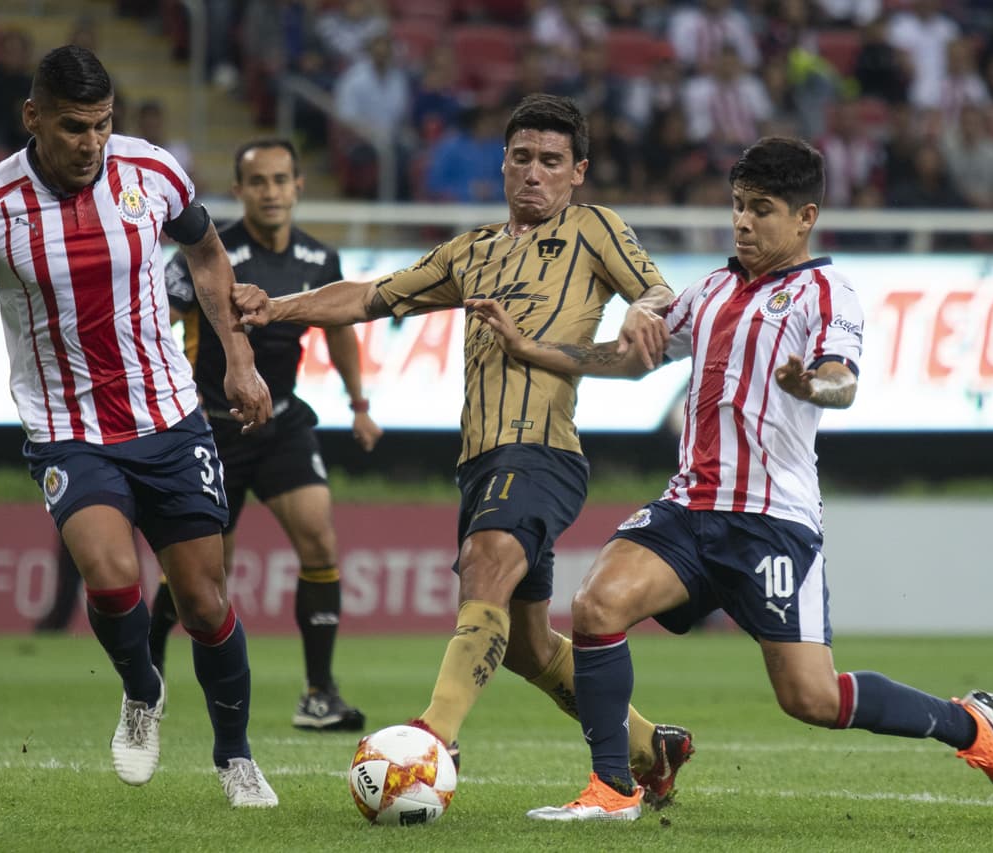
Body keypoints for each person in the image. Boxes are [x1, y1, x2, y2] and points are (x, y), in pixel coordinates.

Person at [467, 136, 993, 821]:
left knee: (811, 698)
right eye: (737, 205)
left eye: (761, 209)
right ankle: (614, 786)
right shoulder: (711, 289)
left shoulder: (827, 292)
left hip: (772, 521)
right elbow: (633, 358)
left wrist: (811, 384)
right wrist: (530, 347)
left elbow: (843, 380)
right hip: (689, 508)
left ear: (805, 217)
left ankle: (970, 724)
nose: (742, 221)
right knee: (596, 606)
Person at [232, 93, 695, 807]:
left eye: (552, 161)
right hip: (480, 462)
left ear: (578, 172)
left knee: (486, 561)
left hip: (541, 449)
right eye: (522, 157)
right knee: (529, 645)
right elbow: (371, 297)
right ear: (503, 163)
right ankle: (650, 747)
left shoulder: (593, 228)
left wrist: (643, 307)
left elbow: (660, 292)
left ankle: (432, 737)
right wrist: (279, 306)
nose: (534, 172)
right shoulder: (470, 250)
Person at [0, 45, 279, 807]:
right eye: (74, 127)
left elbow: (207, 253)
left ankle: (236, 756)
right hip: (67, 427)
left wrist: (238, 360)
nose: (91, 144)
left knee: (204, 602)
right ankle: (143, 688)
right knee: (111, 577)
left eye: (102, 125)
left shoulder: (152, 171)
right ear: (33, 117)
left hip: (169, 415)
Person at [150, 138, 380, 731]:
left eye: (281, 180)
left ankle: (319, 694)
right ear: (239, 190)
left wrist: (359, 404)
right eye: (258, 182)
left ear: (298, 186)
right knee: (202, 575)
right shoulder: (207, 254)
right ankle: (148, 671)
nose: (271, 192)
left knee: (320, 543)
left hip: (281, 422)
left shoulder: (319, 258)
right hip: (211, 428)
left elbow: (339, 330)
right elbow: (154, 324)